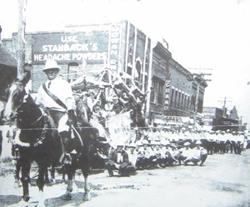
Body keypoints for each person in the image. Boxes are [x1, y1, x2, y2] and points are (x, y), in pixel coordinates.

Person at [36, 59, 77, 163]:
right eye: (48, 71)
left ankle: (66, 154)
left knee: (63, 128)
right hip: (46, 114)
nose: (50, 72)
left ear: (56, 71)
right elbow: (38, 102)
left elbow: (69, 99)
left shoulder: (64, 84)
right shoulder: (42, 87)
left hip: (60, 113)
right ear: (45, 72)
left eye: (52, 70)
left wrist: (70, 113)